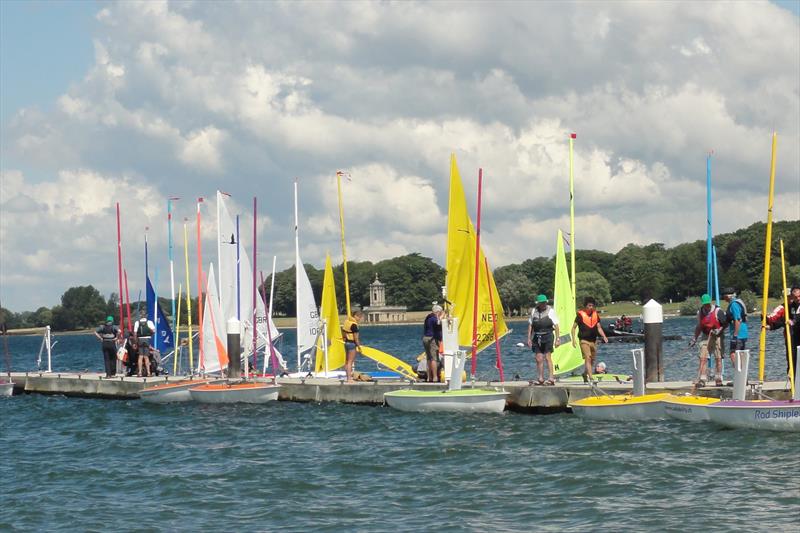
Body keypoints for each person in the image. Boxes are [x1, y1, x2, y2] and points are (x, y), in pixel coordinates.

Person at [689, 294, 726, 386]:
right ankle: (702, 378)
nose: (707, 306)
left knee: (718, 357)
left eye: (708, 304)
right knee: (703, 357)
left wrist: (719, 330)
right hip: (706, 336)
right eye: (705, 304)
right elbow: (699, 326)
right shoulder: (700, 313)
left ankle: (718, 378)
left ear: (710, 302)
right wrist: (694, 339)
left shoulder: (718, 311)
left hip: (717, 336)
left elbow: (725, 323)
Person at [571, 296, 608, 382]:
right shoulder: (580, 315)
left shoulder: (595, 314)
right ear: (585, 306)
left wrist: (604, 336)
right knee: (588, 357)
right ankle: (590, 377)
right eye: (589, 305)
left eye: (592, 306)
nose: (591, 307)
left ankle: (585, 374)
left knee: (592, 360)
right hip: (584, 340)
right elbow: (573, 328)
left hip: (593, 341)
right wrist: (573, 339)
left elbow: (599, 327)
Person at [766, 285, 800, 379]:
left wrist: (794, 321)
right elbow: (784, 320)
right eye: (795, 297)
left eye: (799, 296)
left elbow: (796, 319)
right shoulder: (788, 307)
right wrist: (771, 326)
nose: (798, 299)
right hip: (792, 338)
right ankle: (793, 383)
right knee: (792, 360)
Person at [527, 294, 560, 385]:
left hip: (548, 335)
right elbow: (530, 325)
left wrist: (558, 339)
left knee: (547, 357)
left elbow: (556, 325)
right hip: (537, 336)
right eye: (541, 303)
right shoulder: (534, 311)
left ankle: (551, 378)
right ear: (538, 303)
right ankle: (540, 378)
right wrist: (529, 338)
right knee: (538, 358)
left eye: (544, 302)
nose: (543, 304)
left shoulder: (550, 311)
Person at [722, 287, 748, 373]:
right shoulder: (737, 302)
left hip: (738, 334)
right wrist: (720, 331)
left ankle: (739, 376)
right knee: (740, 354)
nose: (723, 298)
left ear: (728, 296)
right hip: (743, 333)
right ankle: (743, 378)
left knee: (734, 354)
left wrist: (735, 336)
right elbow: (729, 321)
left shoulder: (734, 304)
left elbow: (737, 320)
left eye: (724, 296)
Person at [422, 304, 444, 382]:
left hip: (425, 338)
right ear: (437, 312)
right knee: (434, 358)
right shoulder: (434, 318)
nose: (442, 314)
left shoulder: (428, 317)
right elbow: (438, 323)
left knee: (428, 358)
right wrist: (441, 317)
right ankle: (435, 377)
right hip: (432, 339)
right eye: (441, 312)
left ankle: (429, 377)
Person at [342, 310, 364, 383]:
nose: (359, 319)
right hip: (352, 344)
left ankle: (348, 377)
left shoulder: (346, 322)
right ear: (356, 316)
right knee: (350, 362)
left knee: (347, 361)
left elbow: (344, 333)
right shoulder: (354, 325)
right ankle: (349, 379)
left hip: (346, 343)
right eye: (359, 317)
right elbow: (356, 338)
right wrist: (359, 347)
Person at [133, 311, 156, 377]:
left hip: (140, 339)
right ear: (145, 315)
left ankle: (140, 372)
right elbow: (154, 331)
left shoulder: (137, 323)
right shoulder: (149, 322)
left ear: (140, 315)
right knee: (146, 357)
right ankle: (149, 373)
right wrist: (150, 335)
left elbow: (135, 333)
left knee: (140, 356)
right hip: (147, 339)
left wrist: (135, 342)